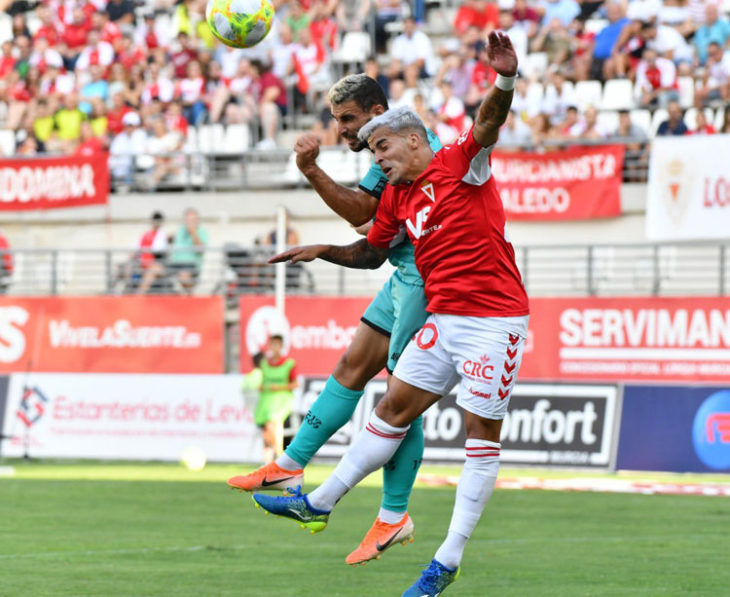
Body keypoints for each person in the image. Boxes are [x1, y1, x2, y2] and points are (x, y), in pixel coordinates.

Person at [253, 32, 528, 596]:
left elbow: (489, 123)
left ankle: (445, 562)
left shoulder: (460, 164)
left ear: (411, 139)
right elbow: (370, 253)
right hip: (445, 321)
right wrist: (320, 250)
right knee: (391, 409)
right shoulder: (399, 198)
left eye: (382, 150)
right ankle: (320, 501)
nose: (376, 160)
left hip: (493, 324)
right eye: (372, 151)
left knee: (480, 439)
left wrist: (503, 79)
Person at [228, 73, 442, 567]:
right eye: (336, 119)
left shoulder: (404, 149)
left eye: (348, 119)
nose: (341, 130)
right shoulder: (386, 153)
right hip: (404, 273)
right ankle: (288, 466)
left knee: (399, 399)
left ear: (376, 110)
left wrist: (310, 171)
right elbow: (373, 241)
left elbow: (364, 216)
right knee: (351, 366)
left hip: (427, 278)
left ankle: (394, 516)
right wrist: (324, 249)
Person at [255, 335, 298, 464]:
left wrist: (278, 387)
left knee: (273, 423)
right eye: (272, 344)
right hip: (266, 400)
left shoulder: (289, 363)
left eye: (277, 344)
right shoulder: (264, 364)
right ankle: (268, 461)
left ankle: (279, 455)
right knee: (267, 430)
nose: (274, 347)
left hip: (281, 400)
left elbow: (295, 384)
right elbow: (260, 382)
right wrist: (262, 386)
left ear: (281, 346)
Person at [168, 208, 209, 294]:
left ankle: (190, 297)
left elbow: (200, 250)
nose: (189, 222)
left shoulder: (202, 232)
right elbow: (171, 241)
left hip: (191, 265)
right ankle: (139, 297)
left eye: (192, 219)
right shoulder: (180, 230)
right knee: (155, 268)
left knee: (184, 275)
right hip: (175, 263)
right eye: (188, 219)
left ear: (197, 220)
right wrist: (169, 238)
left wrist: (193, 232)